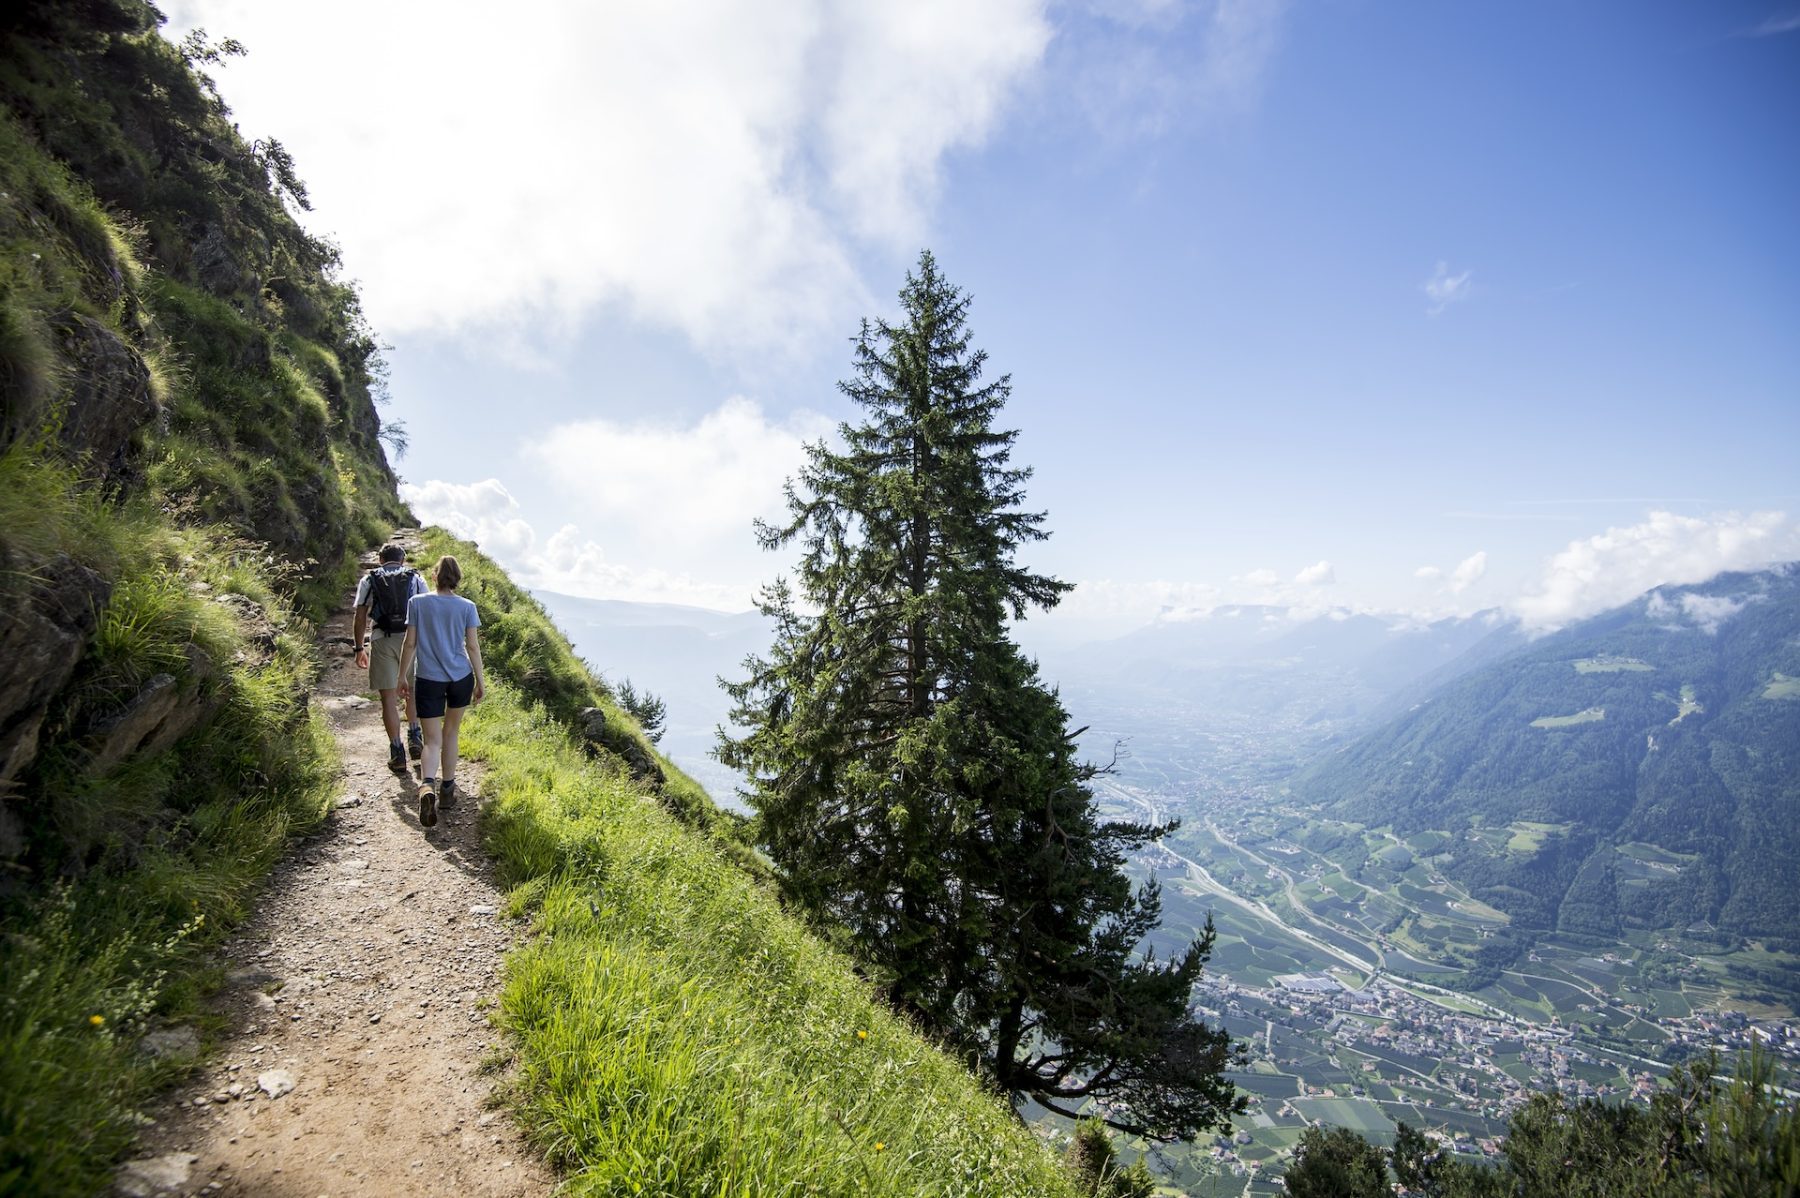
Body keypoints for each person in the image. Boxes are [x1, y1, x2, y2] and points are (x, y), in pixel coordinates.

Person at [397, 555, 486, 828]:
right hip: (460, 677)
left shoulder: (417, 603)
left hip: (428, 678)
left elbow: (410, 643)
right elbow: (472, 647)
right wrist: (480, 680)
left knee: (432, 739)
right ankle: (447, 791)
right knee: (451, 733)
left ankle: (426, 786)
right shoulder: (467, 607)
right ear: (457, 579)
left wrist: (402, 676)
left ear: (434, 576)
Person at [353, 544, 427, 773]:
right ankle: (415, 736)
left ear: (380, 559)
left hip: (382, 639)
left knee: (388, 698)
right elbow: (426, 609)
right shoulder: (416, 578)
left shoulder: (369, 580)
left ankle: (397, 752)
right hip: (412, 639)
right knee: (412, 691)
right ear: (402, 560)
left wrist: (359, 648)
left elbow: (360, 615)